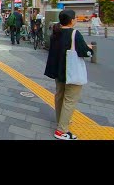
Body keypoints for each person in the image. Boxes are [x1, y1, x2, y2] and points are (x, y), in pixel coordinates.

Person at [44, 9, 92, 140]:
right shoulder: (74, 33)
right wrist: (90, 49)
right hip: (71, 71)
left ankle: (61, 120)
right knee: (70, 99)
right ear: (71, 20)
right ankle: (61, 130)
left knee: (59, 96)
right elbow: (84, 52)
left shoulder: (56, 32)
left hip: (58, 70)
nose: (76, 20)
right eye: (75, 18)